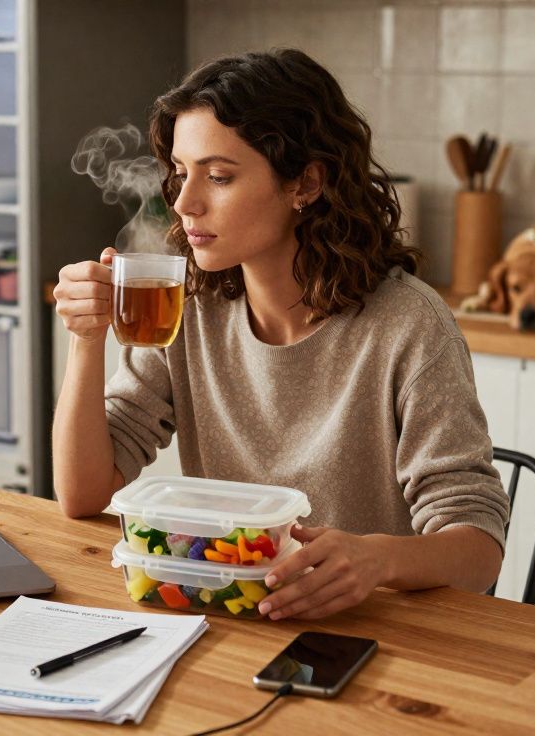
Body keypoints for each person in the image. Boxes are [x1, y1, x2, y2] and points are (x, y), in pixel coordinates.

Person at [52, 49, 510, 621]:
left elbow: (479, 549)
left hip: (367, 631)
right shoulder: (189, 305)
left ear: (306, 183)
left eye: (218, 176)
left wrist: (377, 559)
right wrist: (86, 338)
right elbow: (82, 493)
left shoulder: (407, 327)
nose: (185, 202)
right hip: (228, 614)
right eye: (179, 173)